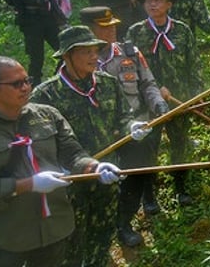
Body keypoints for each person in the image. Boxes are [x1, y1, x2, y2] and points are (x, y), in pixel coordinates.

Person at [30, 26, 143, 266]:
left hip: (107, 173)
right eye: (86, 52)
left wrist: (132, 126)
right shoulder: (45, 95)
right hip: (70, 183)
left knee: (103, 233)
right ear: (66, 56)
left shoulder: (108, 83)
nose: (95, 57)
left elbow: (123, 117)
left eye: (96, 51)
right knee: (72, 239)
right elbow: (35, 141)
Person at [0, 56, 120, 267]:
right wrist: (28, 185)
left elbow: (72, 153)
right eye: (16, 84)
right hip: (8, 235)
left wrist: (94, 167)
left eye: (27, 80)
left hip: (56, 226)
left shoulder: (47, 115)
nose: (25, 88)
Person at [80, 6, 169, 246]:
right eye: (104, 27)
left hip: (135, 127)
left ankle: (124, 223)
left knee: (137, 173)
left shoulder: (130, 52)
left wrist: (158, 104)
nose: (112, 31)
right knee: (105, 184)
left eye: (113, 25)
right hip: (102, 136)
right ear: (89, 31)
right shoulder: (81, 63)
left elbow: (148, 83)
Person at [126, 0, 202, 205]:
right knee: (150, 146)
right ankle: (149, 195)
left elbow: (194, 64)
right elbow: (129, 69)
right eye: (148, 0)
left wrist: (196, 95)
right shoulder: (135, 32)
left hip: (180, 99)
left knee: (180, 143)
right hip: (148, 103)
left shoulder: (182, 30)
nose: (152, 3)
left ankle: (180, 187)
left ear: (169, 4)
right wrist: (152, 91)